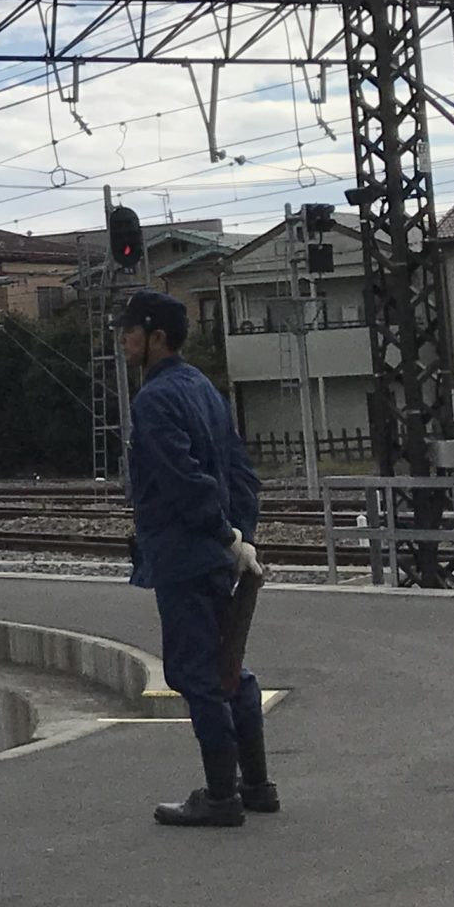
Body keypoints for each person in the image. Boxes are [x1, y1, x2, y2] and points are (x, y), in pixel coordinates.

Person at [118, 289, 278, 826]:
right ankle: (255, 784)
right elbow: (241, 473)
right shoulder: (205, 389)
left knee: (197, 673)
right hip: (218, 552)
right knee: (230, 665)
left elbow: (185, 479)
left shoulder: (154, 400)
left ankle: (220, 795)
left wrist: (222, 534)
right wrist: (241, 538)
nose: (123, 341)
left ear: (156, 337)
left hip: (184, 553)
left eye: (131, 332)